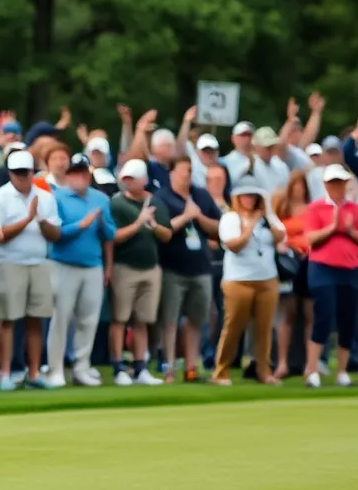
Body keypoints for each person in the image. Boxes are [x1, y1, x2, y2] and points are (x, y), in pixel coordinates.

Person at [0, 149, 60, 391]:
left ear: (32, 172)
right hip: (10, 262)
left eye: (25, 173)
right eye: (17, 173)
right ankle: (5, 373)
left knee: (36, 320)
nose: (22, 177)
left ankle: (34, 372)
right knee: (8, 319)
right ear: (10, 173)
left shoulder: (45, 197)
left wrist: (41, 220)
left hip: (39, 262)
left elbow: (55, 234)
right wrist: (27, 219)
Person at [47, 153, 115, 388]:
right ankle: (55, 369)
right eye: (74, 173)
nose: (79, 177)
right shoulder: (57, 197)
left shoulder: (100, 199)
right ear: (68, 176)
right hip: (63, 264)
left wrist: (102, 224)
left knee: (88, 320)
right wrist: (81, 225)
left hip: (93, 265)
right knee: (61, 319)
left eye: (83, 173)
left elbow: (111, 234)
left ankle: (81, 368)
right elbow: (56, 234)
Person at [303, 164, 358, 387]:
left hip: (351, 269)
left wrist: (350, 231)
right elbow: (311, 239)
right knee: (323, 316)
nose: (337, 187)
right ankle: (312, 369)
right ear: (325, 185)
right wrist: (333, 227)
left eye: (340, 182)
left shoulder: (355, 209)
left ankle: (341, 372)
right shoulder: (315, 208)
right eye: (333, 183)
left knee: (348, 319)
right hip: (322, 268)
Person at [154, 157, 222, 382]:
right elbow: (162, 230)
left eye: (190, 170)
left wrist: (198, 216)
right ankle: (169, 369)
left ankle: (191, 368)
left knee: (196, 320)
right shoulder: (162, 197)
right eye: (184, 170)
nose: (188, 175)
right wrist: (186, 216)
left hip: (201, 268)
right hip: (172, 269)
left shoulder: (201, 195)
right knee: (170, 320)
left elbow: (218, 227)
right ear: (172, 173)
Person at [212, 181, 285, 385]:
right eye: (245, 195)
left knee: (264, 328)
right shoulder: (230, 218)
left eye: (253, 195)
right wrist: (249, 228)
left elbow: (280, 236)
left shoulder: (266, 217)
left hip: (267, 278)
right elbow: (233, 245)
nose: (249, 199)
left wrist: (267, 215)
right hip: (239, 280)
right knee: (234, 326)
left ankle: (264, 371)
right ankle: (221, 371)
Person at [108, 160, 170, 386]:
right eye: (125, 179)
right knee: (120, 319)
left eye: (132, 179)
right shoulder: (116, 203)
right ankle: (118, 368)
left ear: (144, 180)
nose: (128, 182)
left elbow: (167, 235)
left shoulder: (156, 203)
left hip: (151, 268)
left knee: (142, 321)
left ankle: (140, 368)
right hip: (124, 267)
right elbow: (113, 236)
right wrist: (139, 223)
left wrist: (153, 225)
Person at [272, 171, 313, 379]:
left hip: (309, 263)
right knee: (287, 314)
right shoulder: (282, 208)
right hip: (289, 264)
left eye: (302, 186)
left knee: (309, 314)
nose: (299, 190)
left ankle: (310, 364)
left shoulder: (312, 209)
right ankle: (282, 363)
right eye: (295, 186)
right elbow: (276, 233)